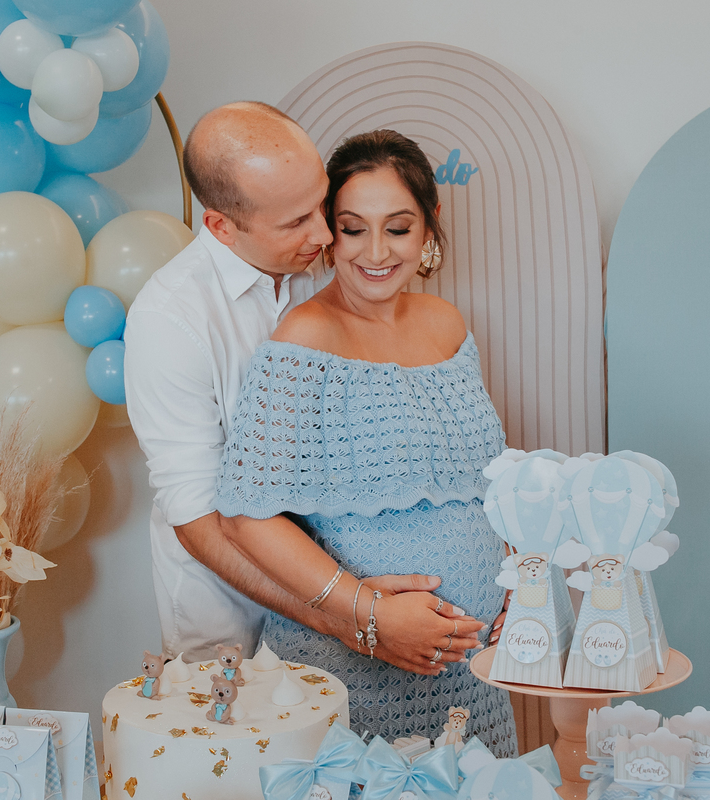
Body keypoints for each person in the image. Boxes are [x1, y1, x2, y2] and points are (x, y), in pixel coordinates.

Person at [124, 103, 476, 666]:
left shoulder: (333, 259)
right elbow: (198, 515)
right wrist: (346, 618)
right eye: (296, 222)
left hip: (359, 598)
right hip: (235, 610)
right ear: (222, 226)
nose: (324, 233)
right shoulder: (172, 321)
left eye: (322, 205)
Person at [214, 129, 517, 749]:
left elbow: (487, 483)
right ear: (329, 231)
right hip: (357, 667)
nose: (375, 250)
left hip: (475, 669)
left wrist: (520, 586)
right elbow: (246, 516)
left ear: (429, 228)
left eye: (398, 228)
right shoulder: (302, 341)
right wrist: (367, 612)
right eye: (353, 228)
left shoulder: (448, 324)